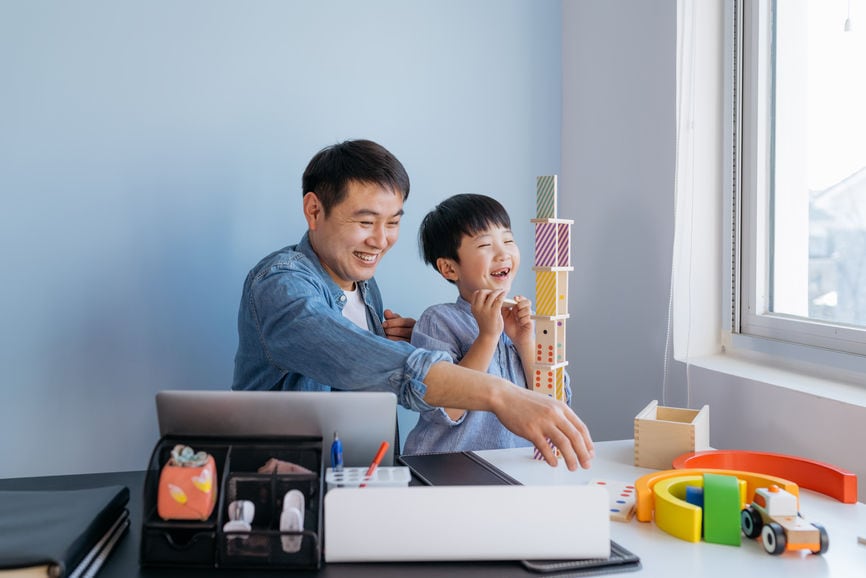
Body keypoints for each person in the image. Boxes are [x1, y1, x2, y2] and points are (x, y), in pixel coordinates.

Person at [232, 139, 593, 470]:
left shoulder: (365, 288)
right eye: (365, 221)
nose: (381, 240)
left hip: (358, 482)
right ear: (314, 211)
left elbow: (368, 368)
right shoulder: (281, 284)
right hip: (286, 489)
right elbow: (352, 357)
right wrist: (502, 396)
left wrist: (400, 341)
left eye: (392, 222)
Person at [402, 194, 571, 455]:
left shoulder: (525, 321)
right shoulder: (438, 320)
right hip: (444, 470)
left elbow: (554, 403)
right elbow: (446, 408)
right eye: (485, 245)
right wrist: (488, 336)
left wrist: (525, 341)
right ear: (449, 268)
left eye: (508, 240)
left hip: (512, 467)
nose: (503, 253)